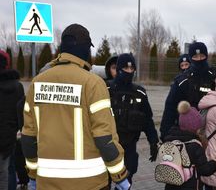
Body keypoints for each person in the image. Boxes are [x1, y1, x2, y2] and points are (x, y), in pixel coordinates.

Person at [21, 24, 130, 190]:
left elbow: (28, 137)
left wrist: (32, 176)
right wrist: (120, 176)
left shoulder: (37, 83)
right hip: (90, 184)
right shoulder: (93, 83)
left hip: (47, 183)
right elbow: (104, 139)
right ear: (85, 50)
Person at [107, 53, 159, 188]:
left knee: (125, 182)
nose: (129, 72)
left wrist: (153, 141)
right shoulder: (106, 89)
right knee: (104, 181)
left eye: (132, 69)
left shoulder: (139, 92)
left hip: (129, 145)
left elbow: (147, 119)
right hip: (108, 145)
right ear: (118, 69)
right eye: (126, 69)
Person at [160, 41, 216, 140]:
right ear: (191, 58)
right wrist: (165, 134)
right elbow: (170, 109)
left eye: (202, 56)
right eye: (195, 57)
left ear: (206, 56)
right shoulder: (182, 81)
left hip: (213, 131)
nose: (199, 59)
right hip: (188, 133)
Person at [163, 101, 216, 190]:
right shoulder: (195, 146)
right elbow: (204, 169)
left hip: (171, 186)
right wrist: (214, 163)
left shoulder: (169, 141)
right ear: (195, 127)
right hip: (190, 186)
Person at [0, 50, 25, 190]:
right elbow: (21, 112)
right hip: (10, 136)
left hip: (8, 134)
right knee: (9, 169)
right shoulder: (17, 86)